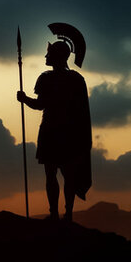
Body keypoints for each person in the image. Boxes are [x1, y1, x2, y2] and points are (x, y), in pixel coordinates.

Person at [17, 41, 92, 222]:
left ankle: (57, 214)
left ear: (57, 56)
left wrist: (25, 99)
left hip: (55, 131)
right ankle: (66, 214)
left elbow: (40, 104)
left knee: (55, 174)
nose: (45, 57)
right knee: (64, 175)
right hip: (65, 132)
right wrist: (26, 99)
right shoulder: (74, 79)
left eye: (49, 53)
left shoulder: (49, 79)